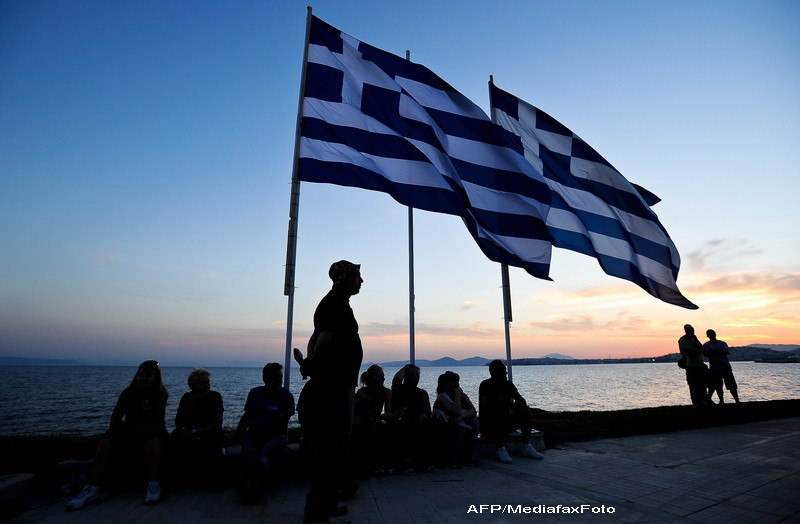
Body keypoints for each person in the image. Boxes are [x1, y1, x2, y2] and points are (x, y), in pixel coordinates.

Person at [294, 260, 364, 522]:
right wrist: (312, 363)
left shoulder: (335, 303)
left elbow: (315, 337)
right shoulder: (335, 305)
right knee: (333, 448)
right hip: (335, 386)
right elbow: (323, 339)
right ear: (344, 278)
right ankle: (318, 509)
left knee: (332, 448)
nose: (361, 280)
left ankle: (328, 502)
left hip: (335, 382)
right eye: (357, 275)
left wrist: (310, 362)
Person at [67, 360, 169, 510]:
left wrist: (145, 405)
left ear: (155, 377)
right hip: (131, 431)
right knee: (108, 439)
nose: (143, 379)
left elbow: (158, 423)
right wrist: (135, 429)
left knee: (153, 440)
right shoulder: (128, 393)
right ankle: (92, 487)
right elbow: (114, 421)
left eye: (148, 376)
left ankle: (153, 483)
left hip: (150, 433)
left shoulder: (161, 394)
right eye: (141, 375)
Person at [234, 362, 295, 503]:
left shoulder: (286, 396)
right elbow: (247, 415)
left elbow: (284, 420)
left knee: (264, 455)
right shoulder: (255, 393)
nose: (279, 380)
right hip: (254, 434)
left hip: (275, 436)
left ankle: (247, 481)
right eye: (275, 377)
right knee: (249, 452)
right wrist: (238, 434)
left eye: (280, 377)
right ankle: (253, 484)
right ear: (265, 378)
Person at [479, 359, 543, 463]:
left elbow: (521, 399)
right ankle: (500, 448)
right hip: (490, 425)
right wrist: (510, 405)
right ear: (494, 373)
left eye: (505, 371)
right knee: (496, 414)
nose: (505, 373)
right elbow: (490, 404)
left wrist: (520, 405)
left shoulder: (508, 385)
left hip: (506, 421)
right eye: (502, 371)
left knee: (525, 411)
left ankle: (526, 445)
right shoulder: (486, 385)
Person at [170, 368, 224, 488]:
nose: (206, 386)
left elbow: (217, 423)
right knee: (175, 435)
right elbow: (179, 422)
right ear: (193, 386)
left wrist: (195, 432)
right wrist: (192, 404)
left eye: (208, 383)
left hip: (207, 431)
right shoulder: (186, 398)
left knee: (217, 435)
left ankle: (217, 478)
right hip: (190, 431)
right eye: (202, 383)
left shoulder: (215, 397)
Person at [351, 364, 394, 476]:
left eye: (383, 376)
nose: (383, 379)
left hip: (375, 422)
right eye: (379, 376)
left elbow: (388, 414)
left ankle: (383, 463)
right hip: (361, 422)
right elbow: (367, 412)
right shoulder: (362, 392)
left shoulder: (386, 392)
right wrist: (381, 417)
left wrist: (384, 417)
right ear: (371, 378)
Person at [390, 364, 433, 473]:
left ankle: (423, 463)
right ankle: (406, 463)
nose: (415, 377)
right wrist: (404, 368)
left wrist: (424, 415)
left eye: (417, 375)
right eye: (411, 374)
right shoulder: (399, 390)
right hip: (403, 421)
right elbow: (396, 380)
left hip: (418, 421)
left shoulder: (422, 393)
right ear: (406, 376)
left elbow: (428, 411)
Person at [431, 371, 479, 468]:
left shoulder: (462, 396)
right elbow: (455, 411)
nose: (457, 386)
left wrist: (461, 416)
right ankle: (453, 459)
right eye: (454, 383)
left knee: (475, 421)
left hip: (458, 422)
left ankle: (470, 456)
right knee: (458, 426)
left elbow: (473, 411)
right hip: (444, 426)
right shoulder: (442, 398)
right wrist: (457, 395)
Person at [704, 329, 740, 404]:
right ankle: (722, 401)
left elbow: (725, 352)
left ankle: (736, 400)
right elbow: (706, 354)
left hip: (724, 367)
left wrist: (713, 352)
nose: (711, 335)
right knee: (718, 386)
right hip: (716, 368)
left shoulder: (721, 343)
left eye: (712, 333)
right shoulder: (709, 345)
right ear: (707, 336)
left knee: (731, 385)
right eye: (710, 334)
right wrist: (719, 352)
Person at [678, 324, 711, 406]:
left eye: (692, 330)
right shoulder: (684, 340)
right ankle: (697, 403)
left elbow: (702, 349)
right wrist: (698, 350)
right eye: (690, 330)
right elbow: (691, 353)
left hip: (700, 365)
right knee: (694, 385)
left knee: (704, 384)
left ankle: (705, 400)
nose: (692, 331)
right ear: (686, 331)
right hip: (691, 366)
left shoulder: (694, 338)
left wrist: (698, 348)